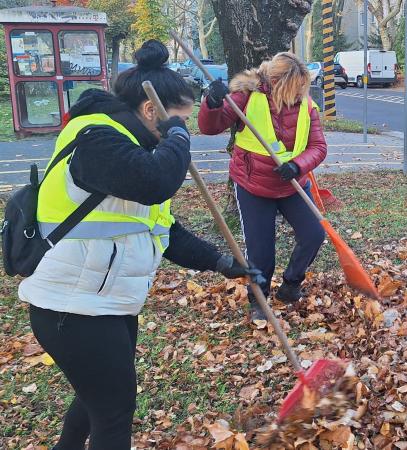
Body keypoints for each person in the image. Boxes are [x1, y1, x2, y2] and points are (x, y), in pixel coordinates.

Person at [18, 40, 262, 449]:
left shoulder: (136, 151)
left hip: (104, 303)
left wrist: (222, 263)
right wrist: (179, 139)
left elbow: (161, 230)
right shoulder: (96, 138)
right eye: (178, 119)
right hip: (70, 308)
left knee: (96, 397)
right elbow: (155, 182)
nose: (182, 128)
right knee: (113, 412)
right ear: (152, 111)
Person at [198, 52, 327, 319]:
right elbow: (211, 128)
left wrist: (298, 165)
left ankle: (291, 285)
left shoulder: (307, 105)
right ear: (278, 83)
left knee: (314, 234)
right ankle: (259, 299)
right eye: (295, 88)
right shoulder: (247, 96)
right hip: (252, 184)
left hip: (292, 183)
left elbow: (318, 147)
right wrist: (211, 103)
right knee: (261, 249)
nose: (300, 93)